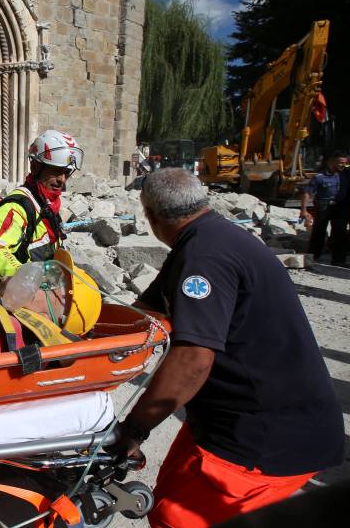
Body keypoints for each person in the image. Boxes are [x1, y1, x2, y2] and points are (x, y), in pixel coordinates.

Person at [114, 169, 343, 528]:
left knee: (178, 519)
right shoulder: (206, 240)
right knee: (167, 495)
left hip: (265, 435)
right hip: (226, 418)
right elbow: (143, 314)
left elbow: (192, 361)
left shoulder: (203, 258)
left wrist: (133, 430)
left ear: (151, 216)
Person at [0, 130, 82, 281]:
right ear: (35, 168)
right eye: (56, 171)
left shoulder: (46, 205)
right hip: (23, 294)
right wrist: (26, 279)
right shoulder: (17, 207)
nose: (62, 180)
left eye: (66, 173)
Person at [301, 150, 348, 265]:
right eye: (340, 162)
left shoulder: (346, 175)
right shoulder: (319, 177)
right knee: (319, 232)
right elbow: (307, 192)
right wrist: (304, 210)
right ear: (331, 162)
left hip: (340, 207)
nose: (343, 165)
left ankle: (338, 260)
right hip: (323, 207)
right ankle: (312, 258)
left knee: (340, 233)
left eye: (345, 163)